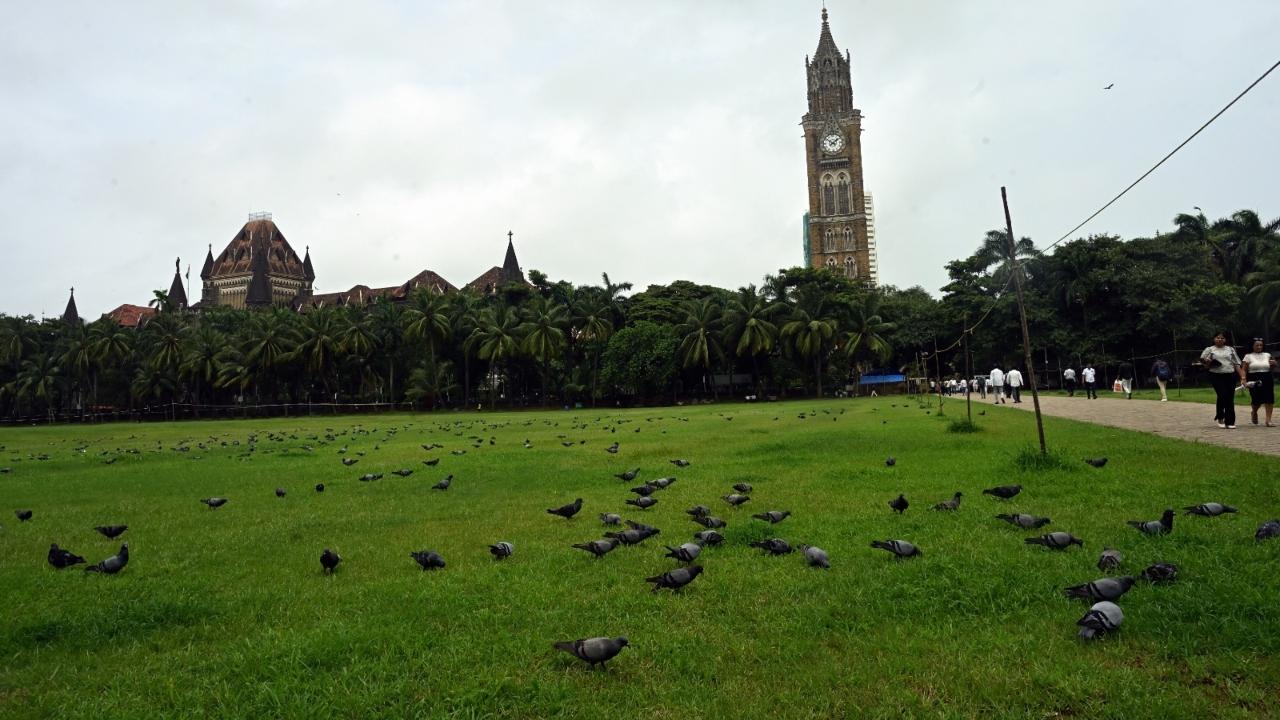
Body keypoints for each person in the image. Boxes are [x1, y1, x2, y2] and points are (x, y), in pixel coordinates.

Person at [1199, 332, 1247, 429]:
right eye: (1218, 338)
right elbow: (1204, 364)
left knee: (1229, 397)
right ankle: (1221, 416)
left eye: (1222, 338)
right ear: (1214, 339)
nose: (1220, 339)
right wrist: (1208, 362)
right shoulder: (1209, 350)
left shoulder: (1230, 349)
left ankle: (1230, 421)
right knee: (1223, 395)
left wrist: (1242, 377)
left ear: (1225, 340)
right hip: (1216, 375)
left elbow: (1237, 364)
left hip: (1230, 375)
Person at [1242, 338, 1276, 427]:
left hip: (1267, 377)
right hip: (1253, 377)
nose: (1259, 347)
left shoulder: (1267, 355)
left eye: (1261, 345)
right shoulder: (1248, 356)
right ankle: (1254, 412)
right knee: (1256, 399)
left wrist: (1274, 364)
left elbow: (1272, 367)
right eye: (1257, 345)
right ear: (1252, 346)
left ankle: (1268, 420)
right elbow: (1244, 369)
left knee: (1269, 398)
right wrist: (1243, 379)